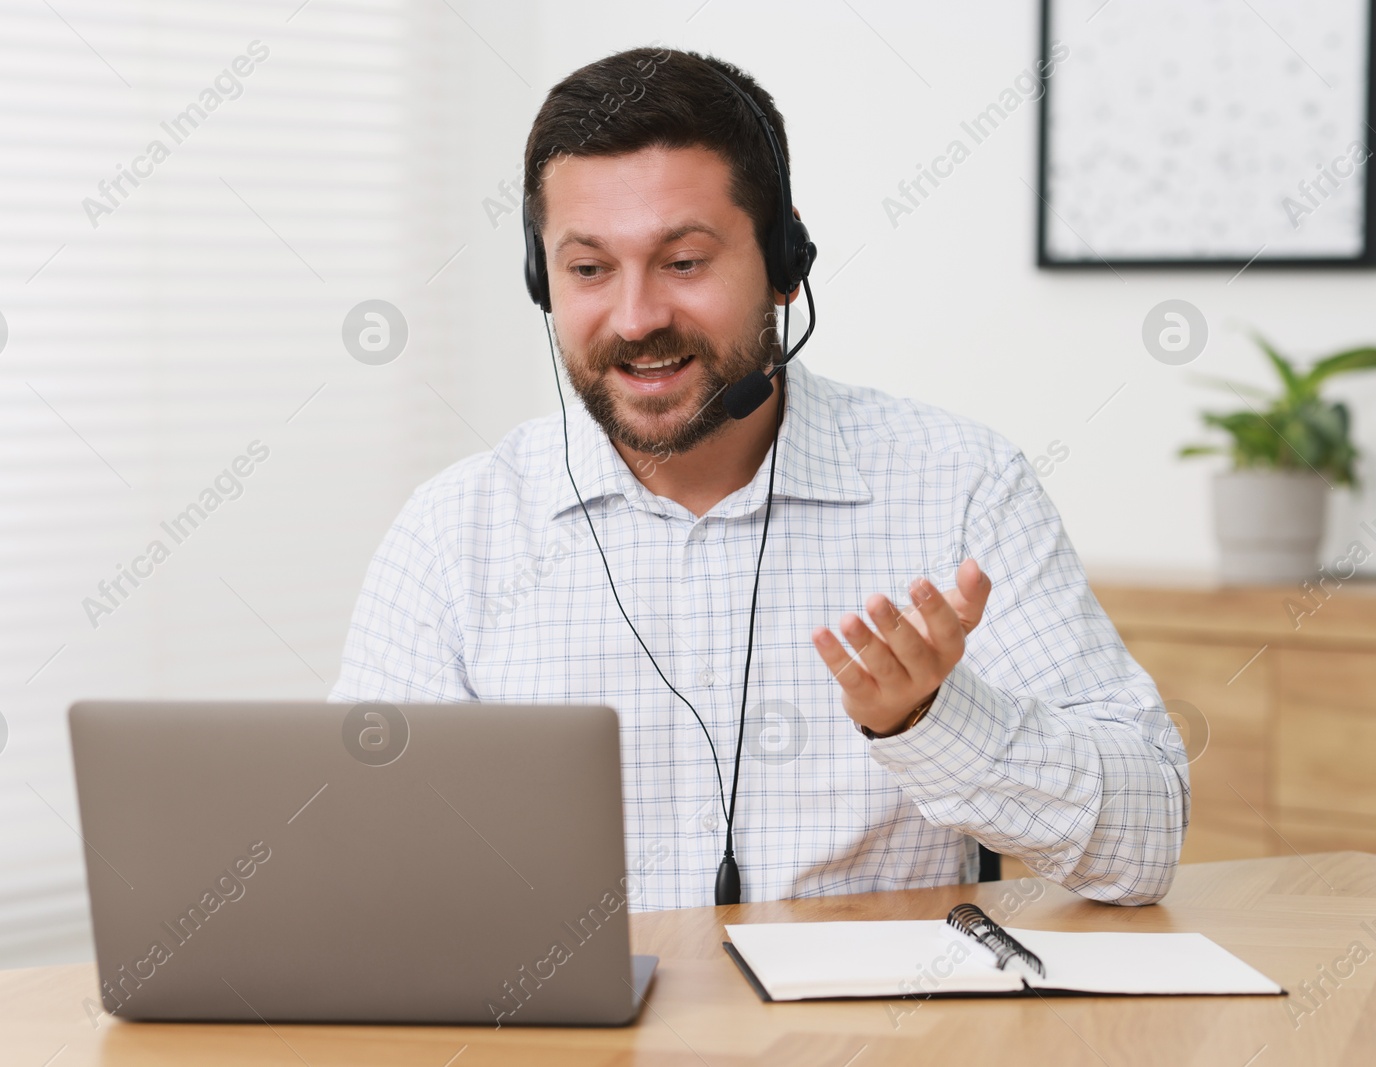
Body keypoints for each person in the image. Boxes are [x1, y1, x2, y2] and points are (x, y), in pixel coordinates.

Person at [329, 46, 1188, 910]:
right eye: (589, 269)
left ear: (784, 263)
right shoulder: (454, 531)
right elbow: (356, 874)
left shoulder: (961, 486)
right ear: (540, 278)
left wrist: (931, 723)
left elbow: (1144, 848)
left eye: (685, 261)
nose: (636, 318)